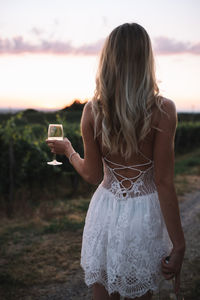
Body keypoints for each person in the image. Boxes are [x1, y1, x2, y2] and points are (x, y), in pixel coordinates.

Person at [46, 23, 185, 300]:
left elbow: (93, 175)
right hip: (144, 214)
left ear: (109, 59)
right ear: (146, 59)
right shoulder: (163, 110)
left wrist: (69, 151)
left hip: (105, 210)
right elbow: (163, 182)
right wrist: (179, 244)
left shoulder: (93, 111)